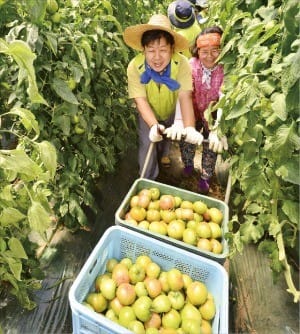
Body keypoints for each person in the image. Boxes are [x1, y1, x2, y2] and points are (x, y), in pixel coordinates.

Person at [123, 14, 203, 180]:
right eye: (151, 50)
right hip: (148, 110)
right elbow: (140, 100)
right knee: (148, 143)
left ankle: (165, 154)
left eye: (163, 50)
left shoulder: (181, 64)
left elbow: (185, 96)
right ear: (143, 50)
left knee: (169, 134)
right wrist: (153, 125)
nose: (157, 57)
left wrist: (187, 126)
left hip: (173, 108)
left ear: (172, 49)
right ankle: (146, 179)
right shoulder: (134, 67)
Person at [178, 26, 228, 194]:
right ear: (197, 51)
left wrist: (217, 128)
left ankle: (206, 176)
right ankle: (188, 165)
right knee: (186, 139)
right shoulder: (192, 65)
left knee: (211, 145)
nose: (209, 56)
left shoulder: (225, 68)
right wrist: (183, 122)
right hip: (193, 110)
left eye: (215, 51)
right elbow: (184, 92)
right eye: (204, 52)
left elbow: (224, 95)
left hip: (214, 115)